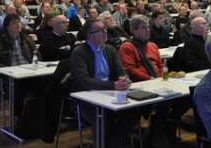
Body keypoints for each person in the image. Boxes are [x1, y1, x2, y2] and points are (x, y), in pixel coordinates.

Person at [70, 18, 140, 148]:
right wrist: (114, 85)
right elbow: (85, 81)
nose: (105, 32)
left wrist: (124, 79)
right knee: (102, 119)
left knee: (133, 112)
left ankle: (109, 144)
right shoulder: (79, 52)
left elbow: (121, 71)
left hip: (109, 92)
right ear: (90, 36)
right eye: (100, 30)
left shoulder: (110, 49)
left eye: (105, 29)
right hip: (85, 96)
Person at [118, 15, 173, 147]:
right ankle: (157, 136)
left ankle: (158, 133)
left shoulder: (153, 45)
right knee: (166, 102)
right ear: (134, 31)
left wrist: (162, 78)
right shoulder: (127, 47)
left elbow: (160, 65)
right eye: (144, 28)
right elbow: (130, 70)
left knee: (177, 98)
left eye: (148, 27)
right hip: (139, 86)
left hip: (157, 82)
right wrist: (151, 79)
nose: (148, 30)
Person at [0, 14, 40, 117]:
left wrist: (35, 64)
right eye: (14, 23)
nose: (18, 25)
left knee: (45, 85)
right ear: (7, 27)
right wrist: (8, 70)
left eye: (19, 22)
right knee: (17, 89)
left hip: (29, 73)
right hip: (9, 77)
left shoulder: (28, 39)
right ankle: (17, 118)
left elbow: (37, 55)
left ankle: (35, 116)